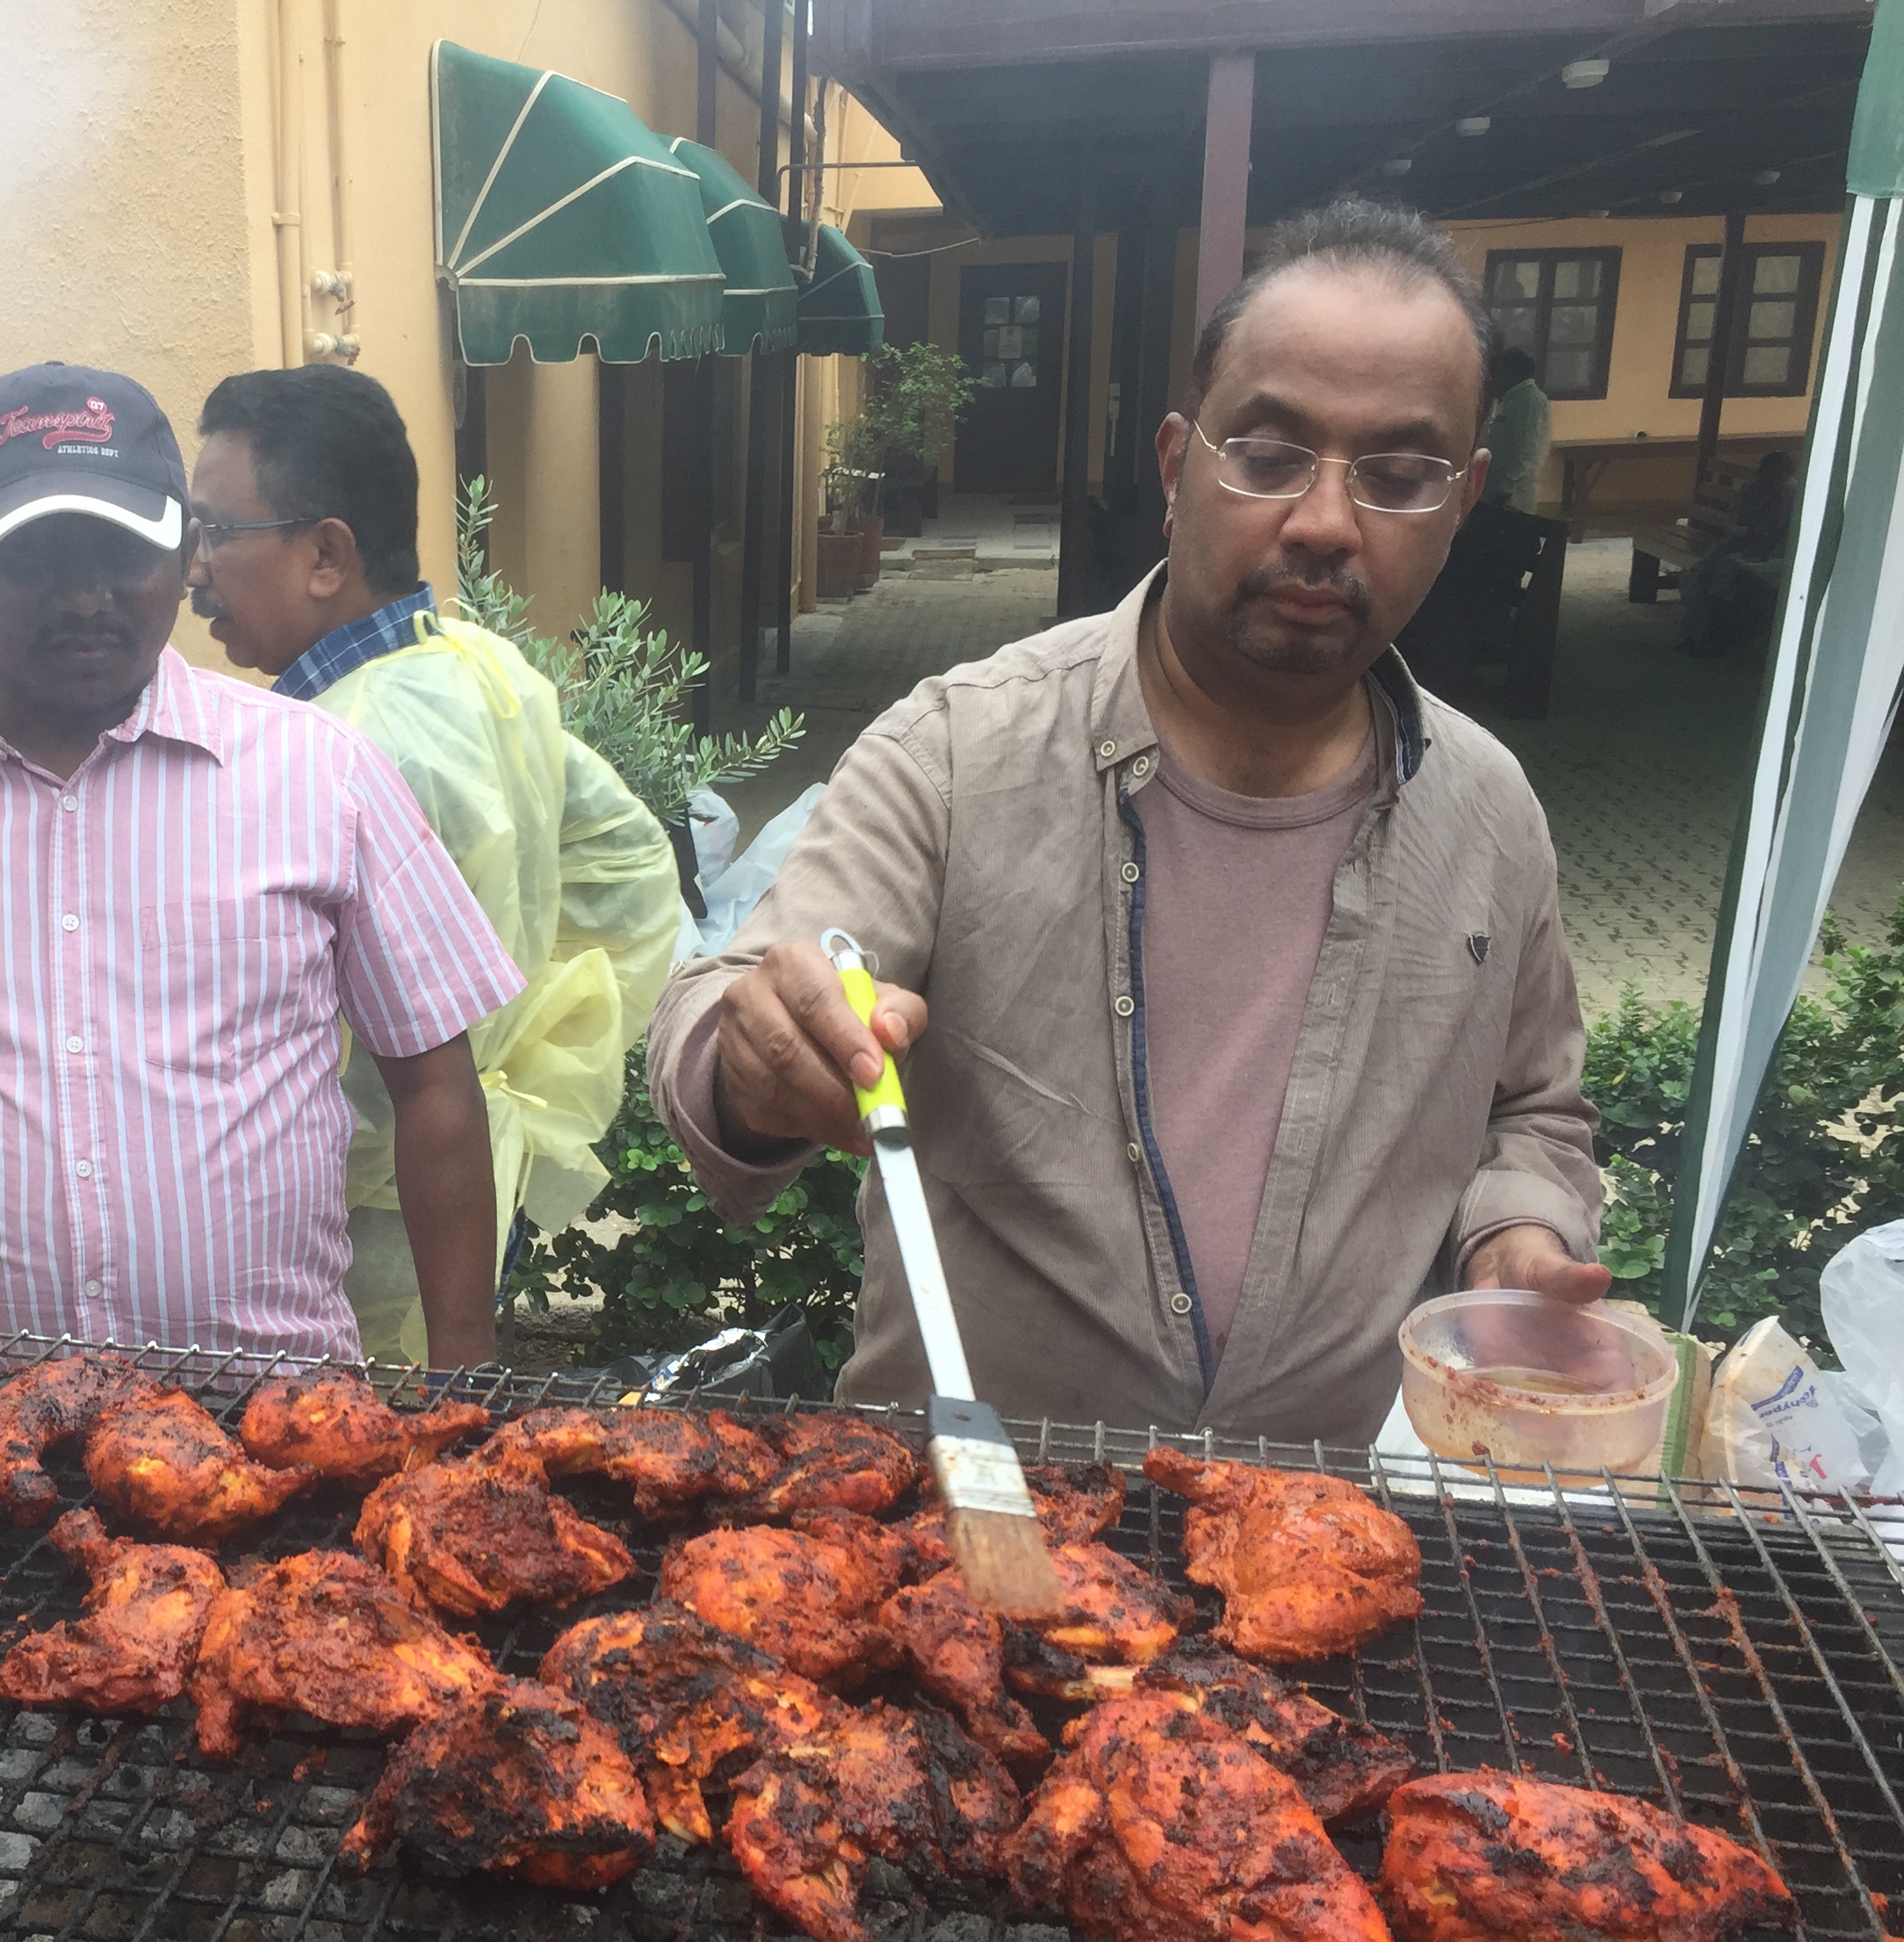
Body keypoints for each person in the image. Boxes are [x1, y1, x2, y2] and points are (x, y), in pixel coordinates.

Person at [647, 198, 1606, 1447]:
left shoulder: (1488, 813)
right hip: (949, 1550)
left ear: (1465, 501)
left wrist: (1521, 1236)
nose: (1324, 521)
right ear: (1176, 467)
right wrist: (755, 1061)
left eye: (1399, 475)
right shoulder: (955, 754)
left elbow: (1536, 1107)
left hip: (1309, 1553)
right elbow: (723, 1017)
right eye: (1267, 455)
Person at [0, 361, 524, 1368]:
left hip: (273, 1428)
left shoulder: (321, 772)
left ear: (189, 549)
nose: (84, 596)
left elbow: (436, 1087)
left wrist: (467, 1381)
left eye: (122, 549)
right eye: (32, 558)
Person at [184, 365, 684, 1361]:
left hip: (366, 1221)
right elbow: (629, 865)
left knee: (356, 1458)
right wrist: (524, 1046)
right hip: (464, 1177)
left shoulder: (333, 752)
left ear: (327, 554)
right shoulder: (473, 663)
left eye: (214, 532)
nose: (192, 568)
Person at [1678, 451, 1795, 654]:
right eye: (1766, 474)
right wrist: (1739, 531)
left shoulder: (1793, 495)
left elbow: (1784, 533)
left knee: (1728, 578)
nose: (1770, 479)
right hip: (1741, 543)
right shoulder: (1753, 488)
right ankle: (1697, 636)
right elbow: (1733, 519)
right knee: (1702, 573)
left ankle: (1715, 638)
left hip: (1771, 552)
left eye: (1776, 474)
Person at [1482, 345, 1553, 516]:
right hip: (1496, 494)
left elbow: (1528, 451)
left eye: (1497, 374)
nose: (1493, 380)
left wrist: (1505, 490)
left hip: (1512, 499)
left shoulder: (1529, 400)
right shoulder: (1510, 400)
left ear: (1511, 374)